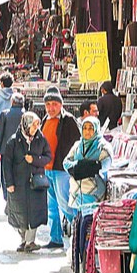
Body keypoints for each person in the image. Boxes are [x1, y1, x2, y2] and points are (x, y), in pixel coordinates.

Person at [0, 111, 51, 252]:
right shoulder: (13, 141)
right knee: (18, 212)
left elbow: (48, 156)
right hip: (18, 183)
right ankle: (23, 239)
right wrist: (9, 183)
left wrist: (34, 160)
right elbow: (7, 164)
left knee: (35, 212)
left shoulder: (41, 139)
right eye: (33, 125)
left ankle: (30, 241)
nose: (36, 128)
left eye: (37, 125)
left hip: (36, 183)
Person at [40, 93, 80, 249]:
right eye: (48, 104)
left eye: (54, 104)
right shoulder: (45, 120)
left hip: (61, 169)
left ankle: (79, 234)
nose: (51, 108)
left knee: (65, 204)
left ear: (61, 105)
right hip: (47, 168)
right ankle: (55, 238)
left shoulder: (68, 120)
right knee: (51, 206)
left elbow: (77, 143)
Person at [64, 117, 112, 213]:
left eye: (90, 128)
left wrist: (78, 168)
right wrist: (83, 166)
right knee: (77, 223)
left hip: (93, 193)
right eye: (85, 128)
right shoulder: (77, 145)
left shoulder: (103, 146)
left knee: (88, 224)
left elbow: (105, 164)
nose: (87, 131)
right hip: (76, 194)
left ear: (96, 129)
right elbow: (66, 163)